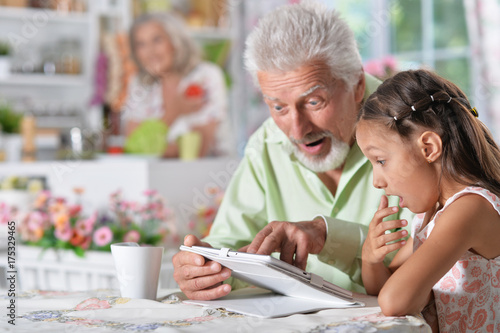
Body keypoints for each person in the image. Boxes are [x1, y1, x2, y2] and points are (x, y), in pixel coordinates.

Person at [172, 1, 413, 301]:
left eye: (314, 102)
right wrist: (205, 267)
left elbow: (433, 252)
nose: (297, 131)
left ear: (357, 86)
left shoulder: (412, 130)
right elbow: (229, 243)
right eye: (278, 107)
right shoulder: (267, 144)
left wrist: (329, 236)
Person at [357, 69, 500, 332]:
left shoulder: (470, 210)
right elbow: (386, 286)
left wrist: (412, 294)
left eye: (381, 161)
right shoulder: (434, 214)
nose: (377, 181)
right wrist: (370, 259)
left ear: (429, 148)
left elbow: (394, 301)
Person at [122, 12, 232, 158]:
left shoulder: (206, 76)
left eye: (157, 40)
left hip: (208, 175)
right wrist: (175, 112)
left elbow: (196, 150)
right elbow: (133, 148)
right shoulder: (141, 84)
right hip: (156, 176)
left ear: (175, 41)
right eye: (141, 44)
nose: (150, 52)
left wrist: (150, 146)